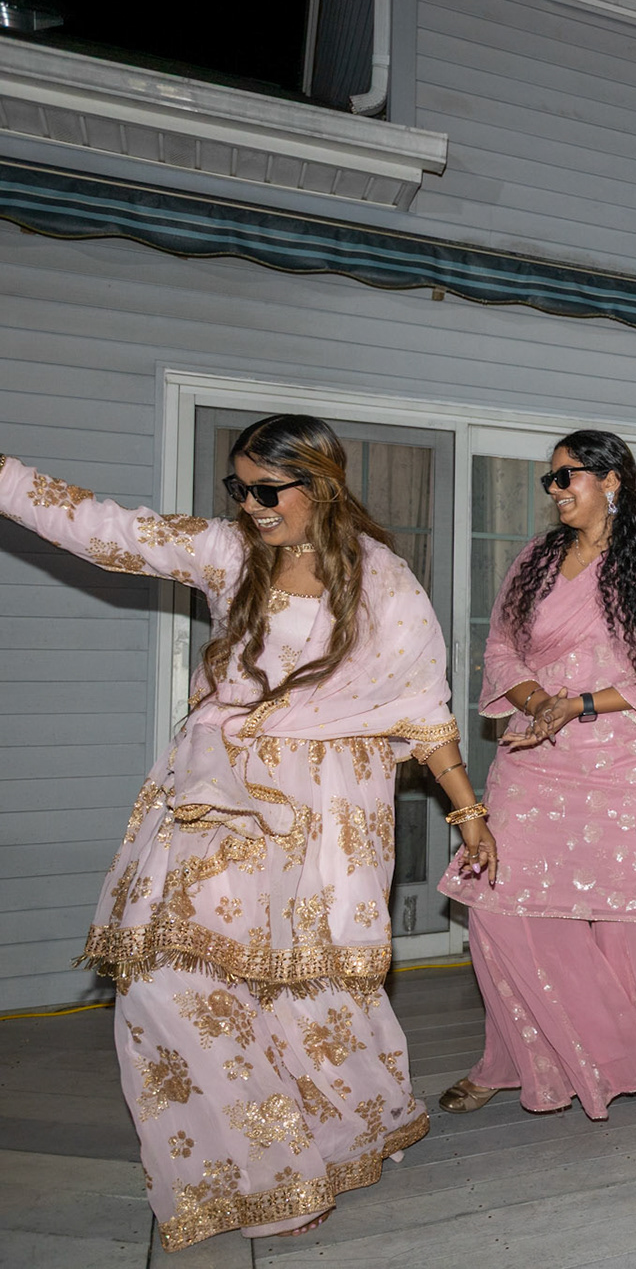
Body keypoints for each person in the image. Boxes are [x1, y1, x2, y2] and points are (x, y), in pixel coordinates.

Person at [0, 416, 491, 1248]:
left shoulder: (382, 580)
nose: (251, 505)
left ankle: (343, 1135)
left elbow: (423, 709)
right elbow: (107, 529)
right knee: (162, 976)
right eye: (240, 487)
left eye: (269, 489)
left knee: (306, 988)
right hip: (216, 794)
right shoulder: (229, 553)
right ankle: (265, 1173)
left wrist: (468, 812)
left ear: (321, 484)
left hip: (325, 814)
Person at [437, 431, 636, 1119]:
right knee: (499, 905)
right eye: (550, 479)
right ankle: (520, 1059)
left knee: (630, 918)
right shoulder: (537, 559)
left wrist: (576, 704)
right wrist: (538, 703)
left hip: (625, 761)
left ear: (612, 481)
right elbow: (501, 648)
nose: (554, 490)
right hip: (535, 757)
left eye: (566, 476)